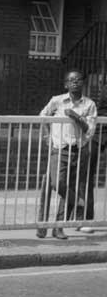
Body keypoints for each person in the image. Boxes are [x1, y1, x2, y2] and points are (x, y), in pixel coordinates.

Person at [36, 70, 96, 240]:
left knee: (67, 186)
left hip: (77, 150)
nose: (75, 82)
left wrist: (76, 117)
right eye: (71, 80)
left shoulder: (89, 104)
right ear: (66, 84)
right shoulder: (57, 100)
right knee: (56, 183)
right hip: (59, 149)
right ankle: (76, 201)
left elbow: (89, 131)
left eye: (78, 80)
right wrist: (48, 135)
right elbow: (43, 116)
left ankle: (58, 228)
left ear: (83, 83)